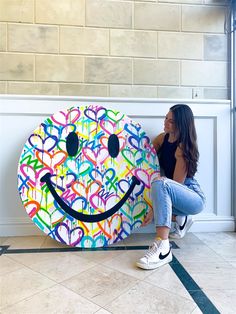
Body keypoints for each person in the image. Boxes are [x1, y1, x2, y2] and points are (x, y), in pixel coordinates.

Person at [136, 104, 206, 270]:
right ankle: (181, 219)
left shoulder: (182, 148)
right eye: (166, 118)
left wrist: (153, 209)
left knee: (161, 182)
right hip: (174, 193)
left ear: (181, 124)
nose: (166, 123)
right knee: (159, 182)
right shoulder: (162, 138)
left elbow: (176, 184)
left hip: (192, 196)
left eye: (171, 122)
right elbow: (145, 158)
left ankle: (163, 248)